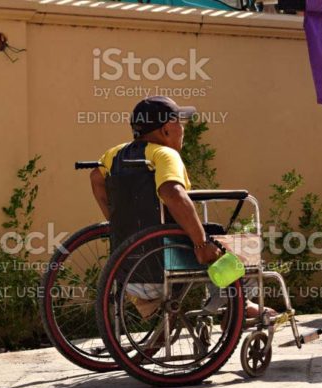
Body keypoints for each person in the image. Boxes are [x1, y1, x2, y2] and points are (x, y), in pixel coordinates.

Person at [90, 96, 268, 318]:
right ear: (166, 130)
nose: (183, 129)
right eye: (180, 123)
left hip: (130, 272)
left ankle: (174, 322)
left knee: (204, 232)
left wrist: (117, 221)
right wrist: (201, 243)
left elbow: (96, 177)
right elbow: (172, 193)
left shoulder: (114, 154)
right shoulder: (164, 154)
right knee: (238, 245)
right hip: (165, 262)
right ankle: (239, 307)